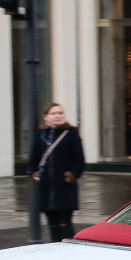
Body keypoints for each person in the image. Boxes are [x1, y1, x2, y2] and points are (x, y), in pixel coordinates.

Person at [28, 102, 85, 242]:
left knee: (65, 223)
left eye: (60, 113)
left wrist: (73, 174)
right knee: (52, 224)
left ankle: (70, 251)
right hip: (46, 187)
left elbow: (79, 159)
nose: (57, 116)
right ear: (46, 117)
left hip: (64, 186)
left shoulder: (71, 133)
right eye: (53, 113)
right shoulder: (41, 134)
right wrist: (34, 173)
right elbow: (33, 158)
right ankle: (55, 250)